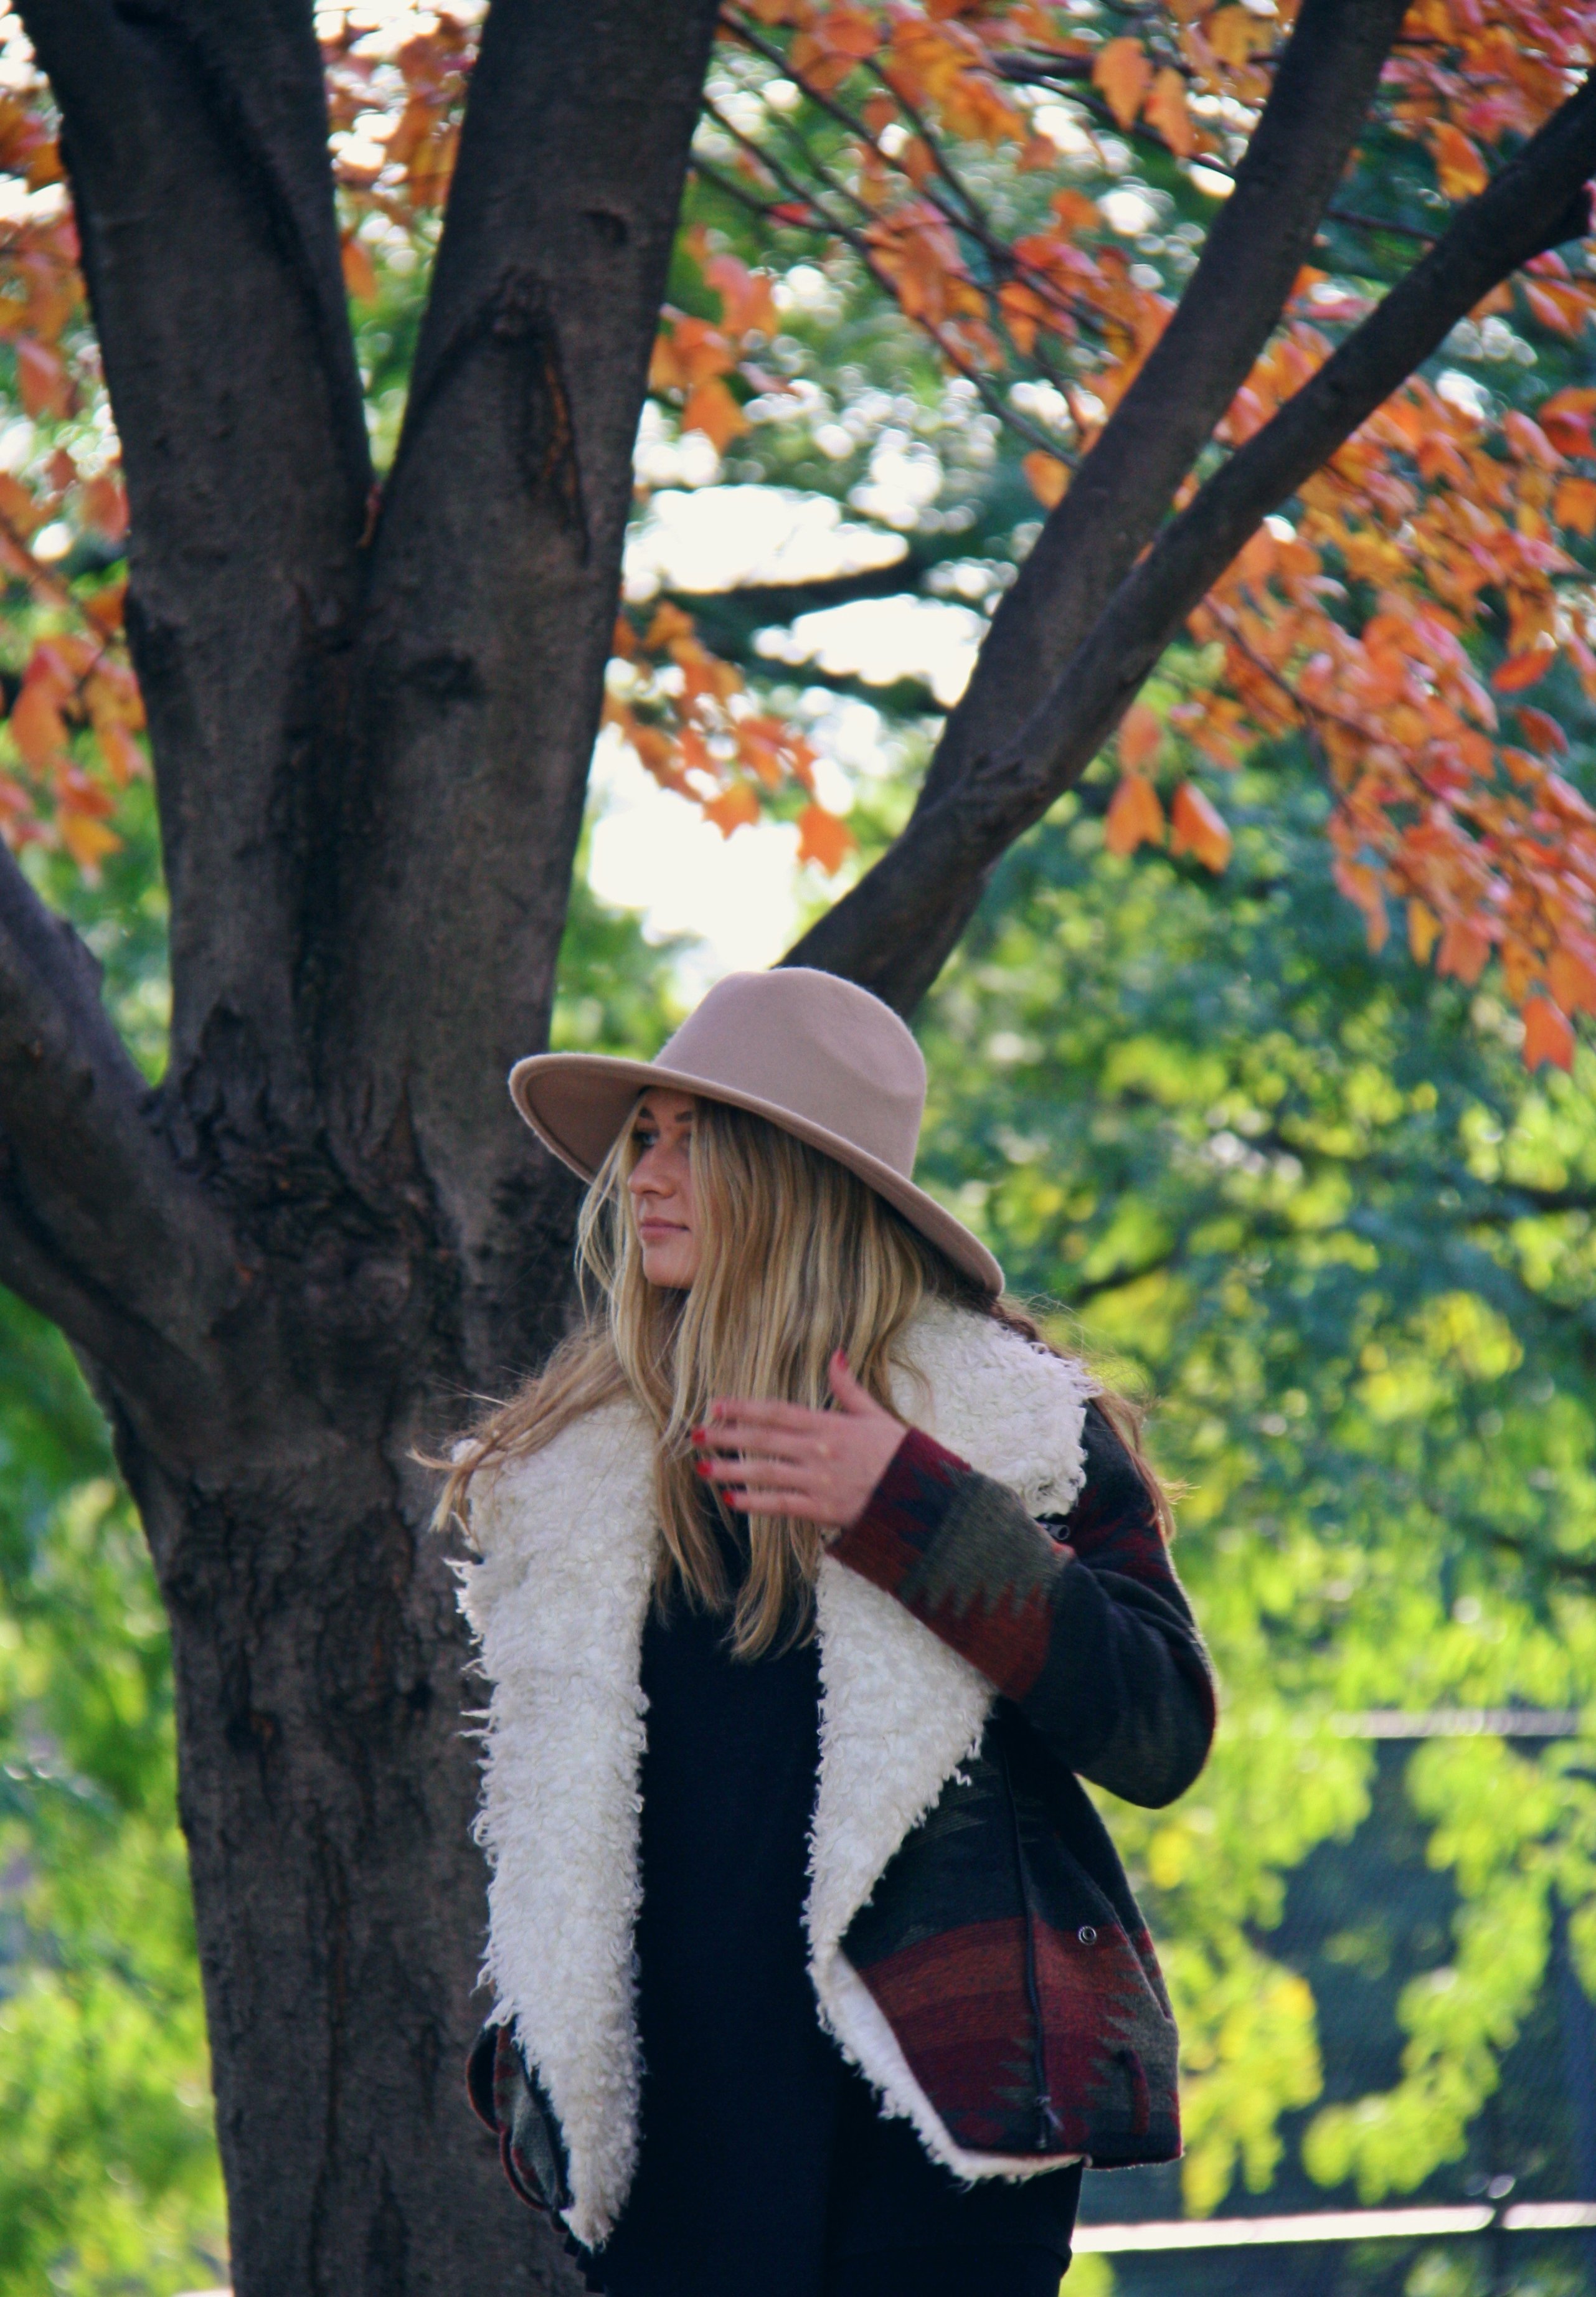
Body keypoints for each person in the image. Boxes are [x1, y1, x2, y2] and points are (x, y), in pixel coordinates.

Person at [441, 967, 1215, 2297]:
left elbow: (1158, 1725)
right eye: (643, 1135)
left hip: (933, 2134)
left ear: (797, 1175)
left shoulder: (1008, 1427)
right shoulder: (576, 1474)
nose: (649, 1174)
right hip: (671, 2148)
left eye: (699, 1137)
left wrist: (912, 1509)